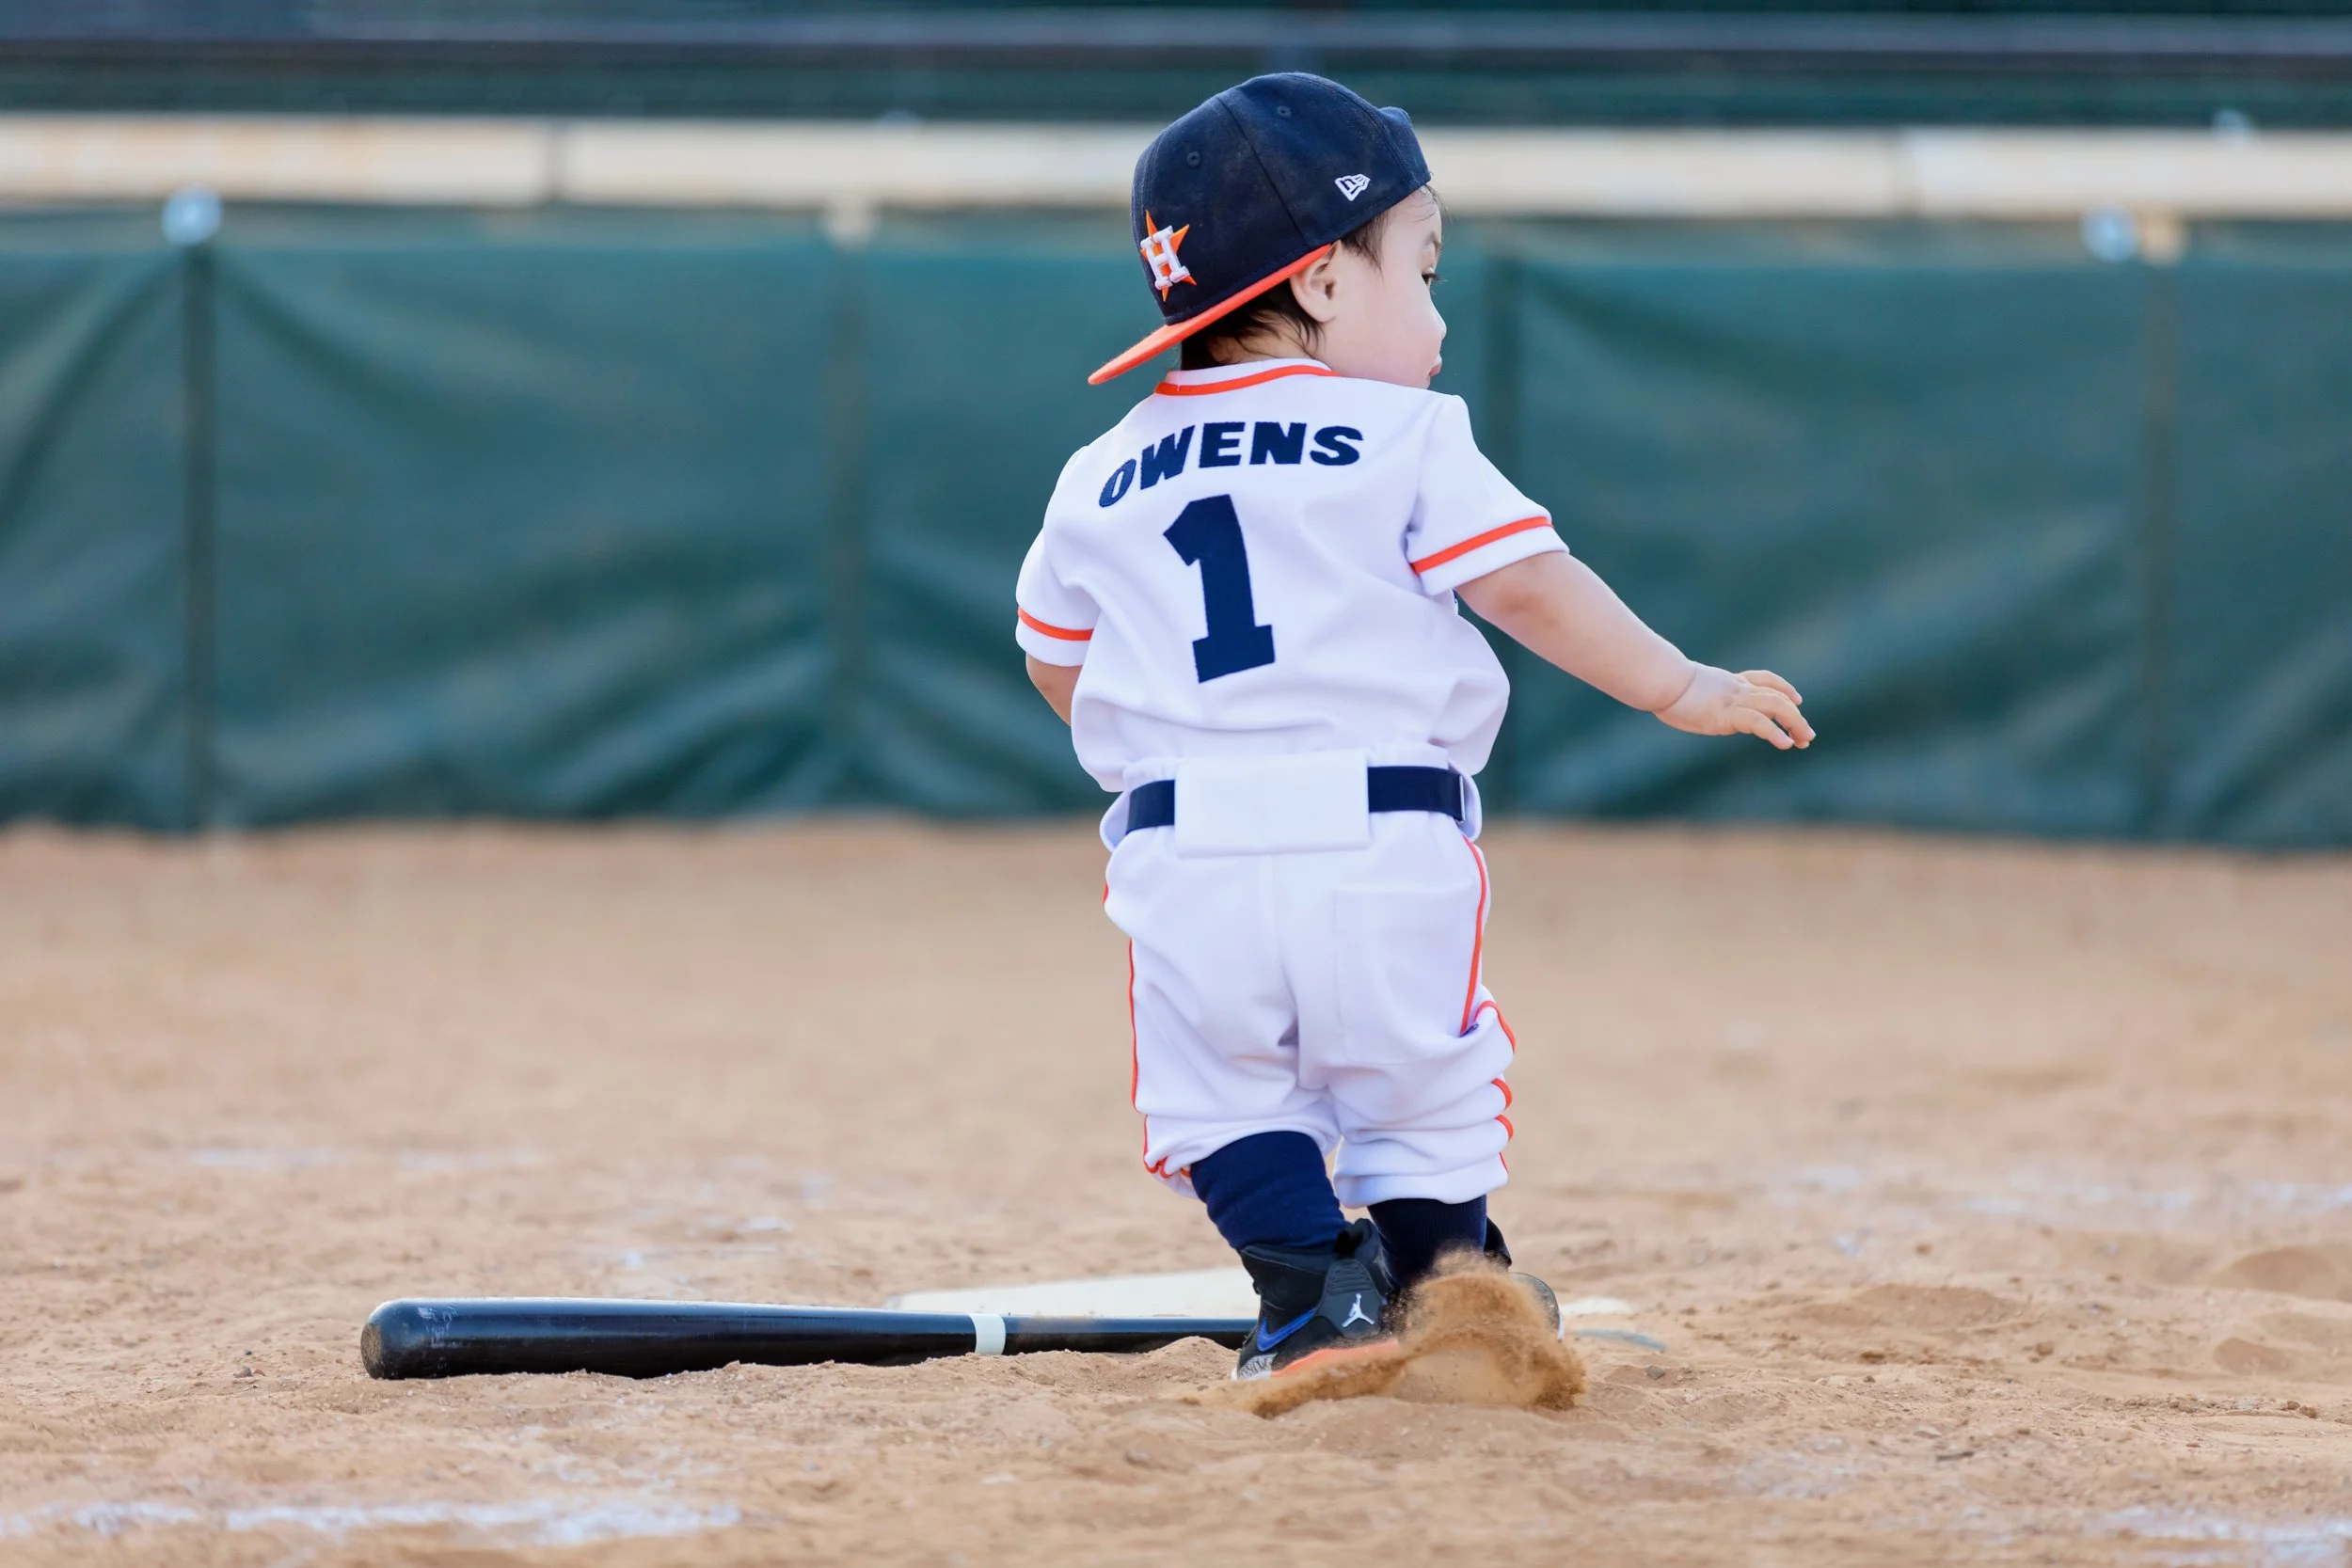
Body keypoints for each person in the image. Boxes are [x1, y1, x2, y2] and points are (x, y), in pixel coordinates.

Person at [1014, 73, 1814, 1381]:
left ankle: (1307, 1299)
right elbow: (1528, 585)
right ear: (1325, 281)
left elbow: (1059, 663)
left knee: (1222, 1091)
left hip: (1185, 848)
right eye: (1424, 272)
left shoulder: (1096, 473)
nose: (1439, 316)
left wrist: (1174, 740)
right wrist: (1679, 685)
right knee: (1418, 1084)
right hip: (1381, 832)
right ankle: (1451, 1285)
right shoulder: (1405, 432)